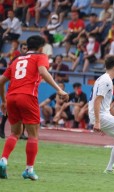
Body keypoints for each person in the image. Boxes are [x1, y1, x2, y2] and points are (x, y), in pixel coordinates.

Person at [0, 35, 69, 180]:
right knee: (33, 135)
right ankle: (29, 170)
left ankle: (3, 160)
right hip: (27, 96)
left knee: (14, 133)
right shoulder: (40, 56)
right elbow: (43, 72)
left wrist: (4, 101)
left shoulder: (16, 59)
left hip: (11, 97)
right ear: (40, 47)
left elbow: (1, 81)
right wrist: (59, 89)